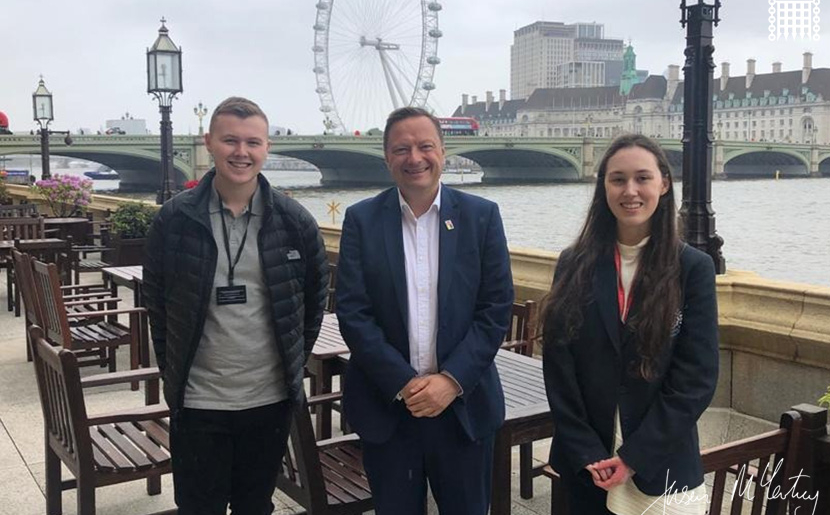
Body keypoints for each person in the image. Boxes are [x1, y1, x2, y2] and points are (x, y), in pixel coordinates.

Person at [143, 96, 329, 515]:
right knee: (198, 506)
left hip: (268, 402)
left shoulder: (295, 222)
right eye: (230, 140)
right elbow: (155, 303)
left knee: (254, 505)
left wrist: (292, 367)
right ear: (209, 142)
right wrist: (175, 375)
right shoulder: (173, 220)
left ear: (266, 148)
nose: (241, 153)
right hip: (198, 401)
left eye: (253, 142)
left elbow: (313, 301)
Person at [335, 107, 514, 515]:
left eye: (424, 146)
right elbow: (353, 311)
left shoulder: (481, 217)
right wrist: (403, 383)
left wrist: (451, 381)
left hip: (464, 410)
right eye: (401, 148)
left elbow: (495, 308)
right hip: (389, 410)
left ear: (443, 151)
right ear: (387, 158)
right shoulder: (361, 220)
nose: (414, 158)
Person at [541, 133, 719, 514]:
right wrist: (587, 450)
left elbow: (696, 378)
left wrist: (634, 456)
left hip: (662, 466)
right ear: (603, 185)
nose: (630, 191)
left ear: (664, 184)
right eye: (618, 179)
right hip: (588, 466)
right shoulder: (573, 263)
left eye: (643, 178)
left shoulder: (693, 269)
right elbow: (559, 368)